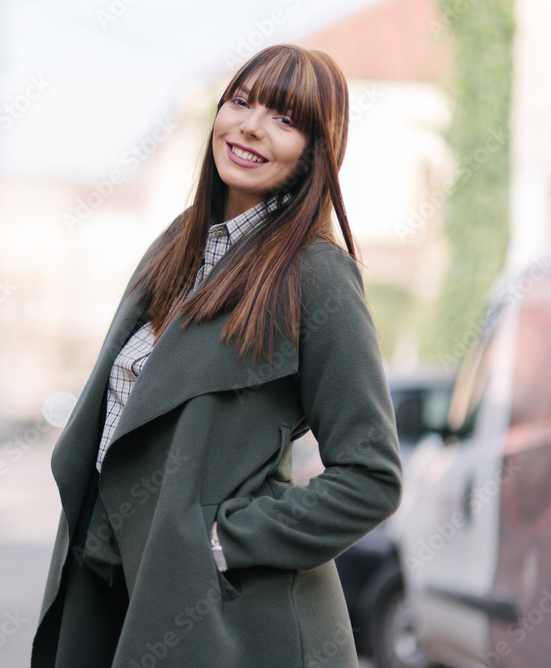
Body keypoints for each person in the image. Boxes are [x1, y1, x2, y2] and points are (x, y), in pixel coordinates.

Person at [30, 44, 403, 667]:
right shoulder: (175, 250)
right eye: (241, 101)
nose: (252, 126)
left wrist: (221, 539)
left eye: (286, 119)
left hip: (237, 628)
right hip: (119, 592)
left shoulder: (316, 276)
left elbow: (372, 478)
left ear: (314, 151)